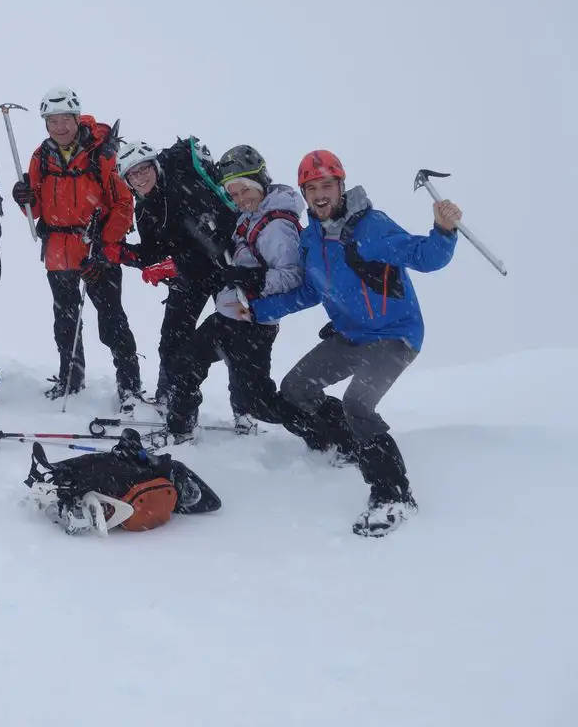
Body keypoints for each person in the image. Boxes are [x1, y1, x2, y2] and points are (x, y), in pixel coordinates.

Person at [245, 149, 462, 537]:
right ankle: (343, 443)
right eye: (311, 188)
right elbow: (311, 291)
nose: (320, 194)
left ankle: (394, 494)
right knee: (295, 389)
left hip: (395, 335)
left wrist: (444, 231)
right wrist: (259, 310)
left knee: (357, 403)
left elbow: (423, 256)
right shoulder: (311, 239)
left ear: (341, 186)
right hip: (350, 335)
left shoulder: (371, 227)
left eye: (327, 184)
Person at [156, 144, 326, 446]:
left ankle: (325, 428)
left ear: (259, 181)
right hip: (231, 315)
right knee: (185, 364)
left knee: (259, 403)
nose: (240, 200)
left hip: (253, 324)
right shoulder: (250, 216)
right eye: (233, 194)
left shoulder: (278, 226)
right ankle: (179, 431)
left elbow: (292, 276)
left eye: (244, 191)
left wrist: (253, 278)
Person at [10, 87, 143, 410]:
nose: (59, 127)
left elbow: (124, 204)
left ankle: (129, 385)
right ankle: (71, 376)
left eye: (65, 119)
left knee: (111, 320)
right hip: (58, 247)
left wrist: (104, 246)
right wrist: (23, 198)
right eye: (52, 121)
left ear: (76, 117)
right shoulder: (41, 156)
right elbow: (38, 209)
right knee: (65, 320)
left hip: (98, 246)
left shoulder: (102, 155)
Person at [114, 138, 238, 408]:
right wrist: (124, 254)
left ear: (155, 166)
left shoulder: (186, 188)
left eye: (144, 169)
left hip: (223, 270)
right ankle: (169, 398)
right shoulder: (144, 208)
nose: (140, 177)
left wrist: (174, 264)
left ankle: (243, 409)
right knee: (171, 340)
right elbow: (153, 252)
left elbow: (211, 242)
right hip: (189, 278)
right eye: (132, 174)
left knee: (235, 341)